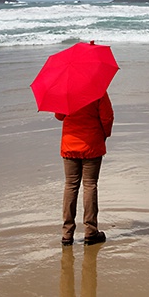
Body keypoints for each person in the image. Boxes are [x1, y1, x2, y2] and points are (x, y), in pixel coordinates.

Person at [55, 90, 114, 246]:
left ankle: (67, 234)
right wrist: (104, 136)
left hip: (69, 145)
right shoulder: (98, 91)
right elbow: (107, 117)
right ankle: (90, 231)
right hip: (92, 144)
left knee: (70, 186)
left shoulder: (67, 90)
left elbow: (59, 116)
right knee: (90, 185)